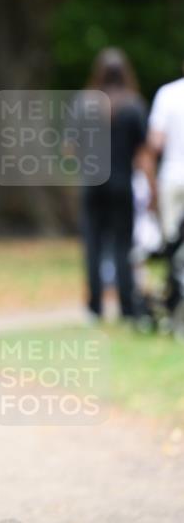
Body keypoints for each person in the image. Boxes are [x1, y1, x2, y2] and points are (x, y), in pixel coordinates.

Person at [79, 48, 148, 322]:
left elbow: (70, 147)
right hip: (121, 184)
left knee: (93, 246)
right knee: (122, 245)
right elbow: (143, 152)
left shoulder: (84, 104)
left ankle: (94, 308)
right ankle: (127, 308)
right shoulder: (133, 105)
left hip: (92, 185)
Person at [147, 64, 184, 319]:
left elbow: (155, 142)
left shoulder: (167, 94)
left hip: (172, 176)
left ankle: (176, 304)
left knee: (173, 243)